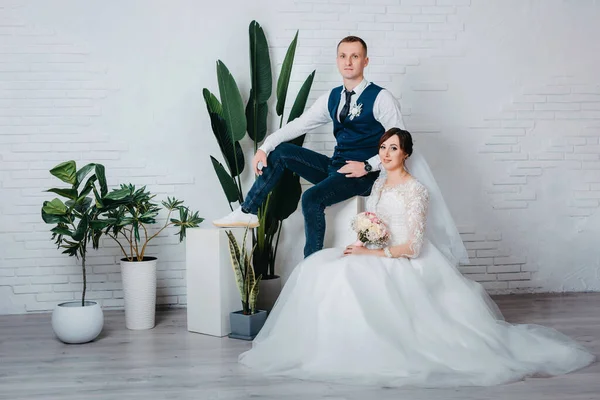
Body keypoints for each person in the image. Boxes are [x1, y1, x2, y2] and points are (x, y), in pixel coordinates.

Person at [237, 128, 595, 388]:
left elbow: (413, 246)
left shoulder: (415, 190)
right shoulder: (377, 184)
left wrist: (374, 250)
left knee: (354, 278)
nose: (387, 153)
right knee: (326, 269)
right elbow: (371, 220)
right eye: (383, 147)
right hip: (375, 249)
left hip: (402, 257)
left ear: (406, 153)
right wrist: (363, 241)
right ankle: (335, 343)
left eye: (394, 148)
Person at [213, 36, 406, 258]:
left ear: (366, 61)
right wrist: (265, 147)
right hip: (337, 167)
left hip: (364, 176)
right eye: (343, 56)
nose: (348, 62)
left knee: (311, 198)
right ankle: (248, 211)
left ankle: (311, 263)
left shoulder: (381, 97)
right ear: (337, 60)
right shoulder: (332, 97)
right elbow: (300, 124)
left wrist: (367, 166)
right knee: (282, 153)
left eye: (355, 56)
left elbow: (399, 141)